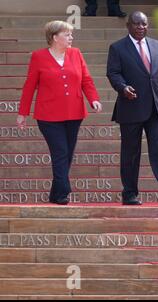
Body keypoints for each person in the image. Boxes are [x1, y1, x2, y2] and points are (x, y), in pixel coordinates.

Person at [16, 20, 102, 205]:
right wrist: (22, 113)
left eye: (71, 34)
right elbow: (29, 86)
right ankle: (63, 191)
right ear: (55, 37)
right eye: (67, 34)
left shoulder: (76, 53)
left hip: (74, 112)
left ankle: (55, 193)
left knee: (68, 153)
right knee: (60, 152)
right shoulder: (39, 57)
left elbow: (86, 79)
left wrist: (93, 99)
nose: (71, 37)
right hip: (48, 115)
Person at [106, 11, 158, 206]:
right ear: (128, 26)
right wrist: (123, 88)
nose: (141, 27)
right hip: (131, 107)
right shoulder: (117, 48)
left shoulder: (156, 46)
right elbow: (113, 73)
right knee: (130, 152)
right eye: (137, 24)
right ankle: (129, 193)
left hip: (157, 107)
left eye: (144, 24)